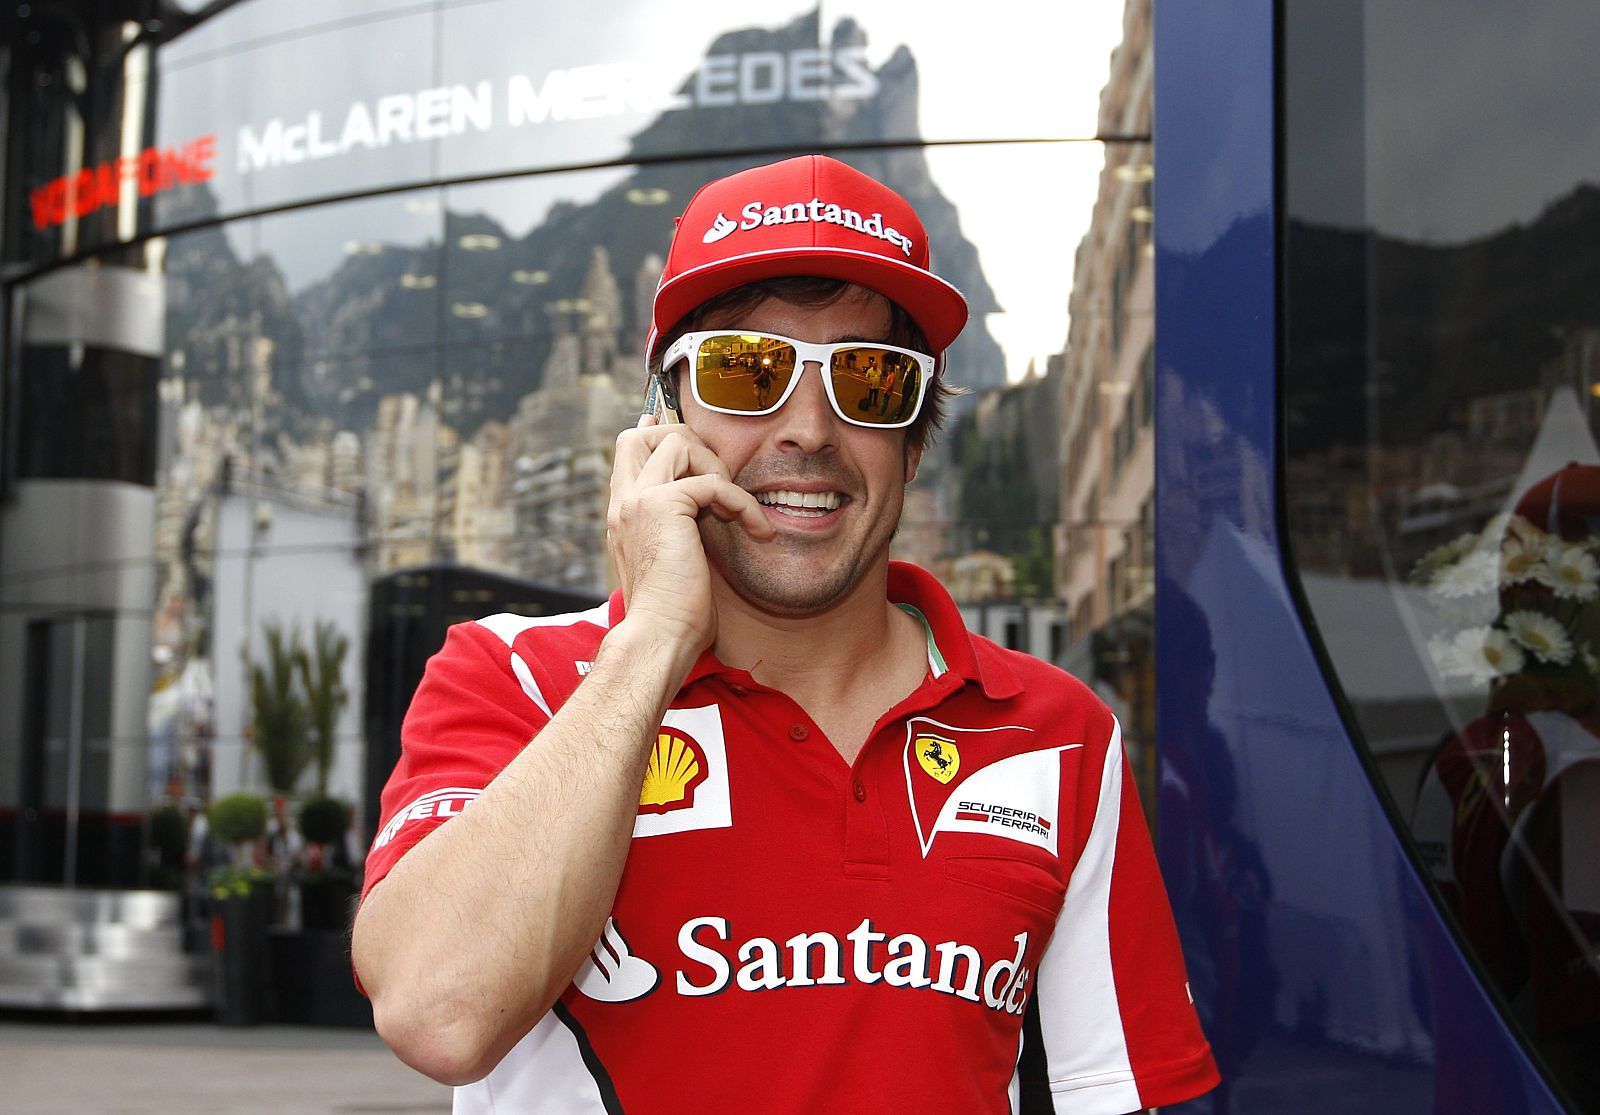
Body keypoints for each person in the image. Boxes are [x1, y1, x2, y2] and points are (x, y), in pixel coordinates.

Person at [351, 154, 1219, 1114]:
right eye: (746, 371)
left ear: (913, 439)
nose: (808, 427)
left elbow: (1110, 1095)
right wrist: (653, 641)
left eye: (872, 380)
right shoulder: (510, 675)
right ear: (663, 419)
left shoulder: (1059, 733)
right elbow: (438, 1012)